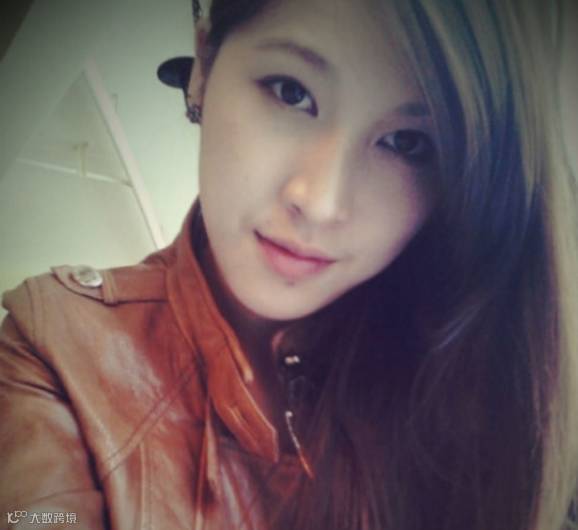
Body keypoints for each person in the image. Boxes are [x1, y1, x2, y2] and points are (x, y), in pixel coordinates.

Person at [1, 0, 577, 528]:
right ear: (204, 65)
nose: (321, 202)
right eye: (291, 92)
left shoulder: (476, 370)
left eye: (406, 143)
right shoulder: (56, 351)